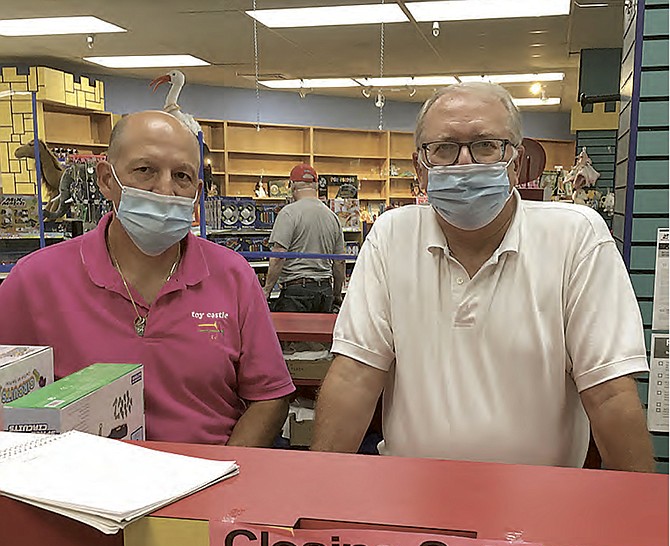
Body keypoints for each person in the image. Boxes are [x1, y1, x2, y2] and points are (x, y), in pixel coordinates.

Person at [312, 83, 655, 472]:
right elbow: (354, 377)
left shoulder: (575, 237)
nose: (464, 164)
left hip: (541, 503)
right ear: (419, 168)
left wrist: (646, 521)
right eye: (443, 148)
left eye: (486, 145)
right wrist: (315, 491)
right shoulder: (393, 235)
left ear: (517, 161)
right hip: (409, 498)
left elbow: (610, 393)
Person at [0, 110, 294, 446]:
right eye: (145, 170)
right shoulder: (35, 281)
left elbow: (269, 396)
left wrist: (229, 470)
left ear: (197, 191)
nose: (165, 189)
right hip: (80, 488)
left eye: (182, 176)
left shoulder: (233, 276)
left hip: (208, 484)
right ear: (107, 180)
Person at [263, 163, 346, 313]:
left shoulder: (288, 213)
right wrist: (337, 294)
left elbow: (278, 256)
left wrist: (267, 290)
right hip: (325, 291)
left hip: (295, 292)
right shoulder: (332, 217)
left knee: (294, 336)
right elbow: (339, 261)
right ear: (315, 185)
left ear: (292, 185)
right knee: (321, 336)